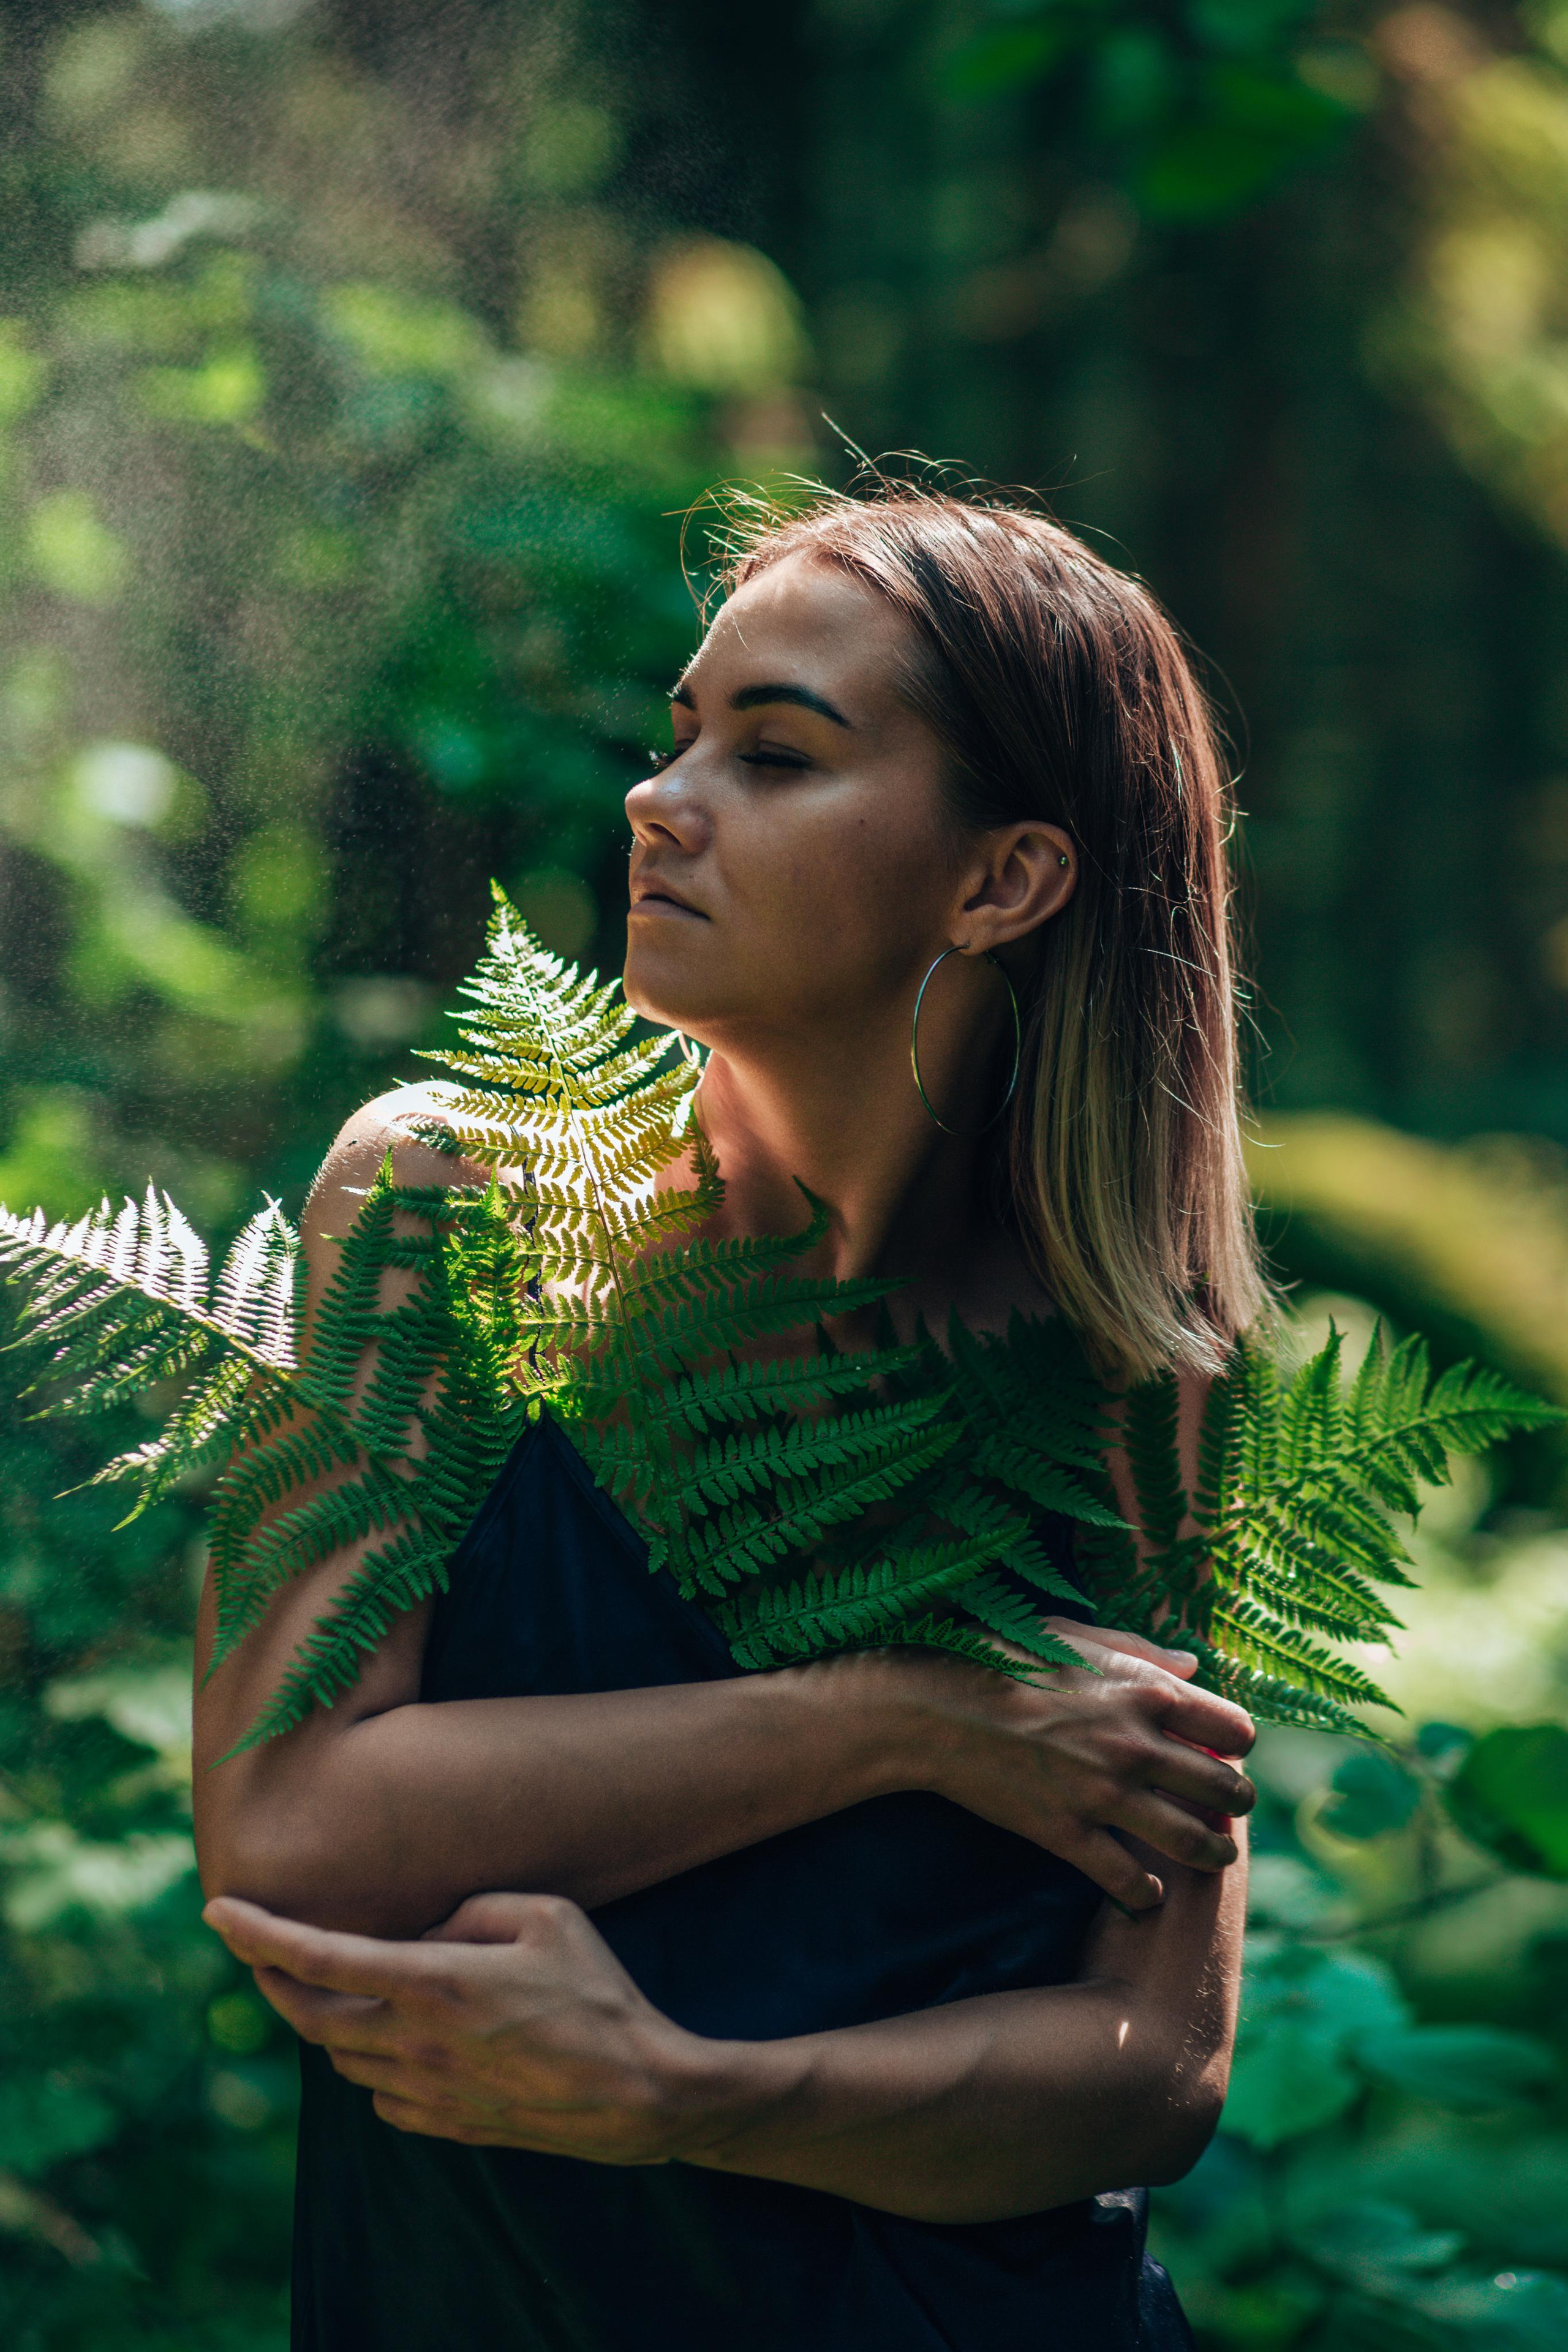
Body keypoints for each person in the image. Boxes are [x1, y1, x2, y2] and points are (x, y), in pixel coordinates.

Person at [196, 485, 1264, 2351]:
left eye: (774, 754)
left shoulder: (1134, 1368)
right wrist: (913, 1722)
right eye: (681, 731)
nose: (659, 798)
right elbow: (288, 1827)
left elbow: (1151, 2066)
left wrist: (685, 2094)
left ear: (1001, 880)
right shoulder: (450, 1214)